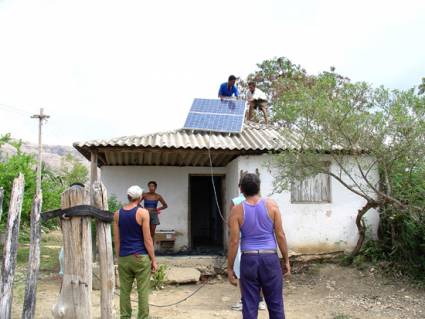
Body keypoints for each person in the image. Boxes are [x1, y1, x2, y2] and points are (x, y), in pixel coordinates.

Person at [227, 173, 290, 319]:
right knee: (276, 304)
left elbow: (234, 241)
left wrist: (230, 268)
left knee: (249, 304)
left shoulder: (236, 210)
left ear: (241, 189)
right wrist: (286, 260)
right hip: (270, 258)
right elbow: (280, 235)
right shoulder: (272, 205)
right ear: (258, 187)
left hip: (249, 259)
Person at [114, 185, 158, 319]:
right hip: (140, 257)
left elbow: (117, 240)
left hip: (124, 257)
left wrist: (119, 258)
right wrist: (154, 260)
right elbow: (148, 239)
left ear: (128, 197)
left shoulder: (117, 214)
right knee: (143, 291)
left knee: (124, 291)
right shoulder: (143, 213)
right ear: (140, 198)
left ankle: (125, 316)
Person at [230, 189, 266, 312]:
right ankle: (260, 300)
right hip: (265, 249)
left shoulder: (235, 202)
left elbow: (233, 229)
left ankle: (244, 300)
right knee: (259, 275)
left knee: (242, 273)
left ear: (241, 188)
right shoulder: (265, 202)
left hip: (244, 246)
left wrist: (229, 268)